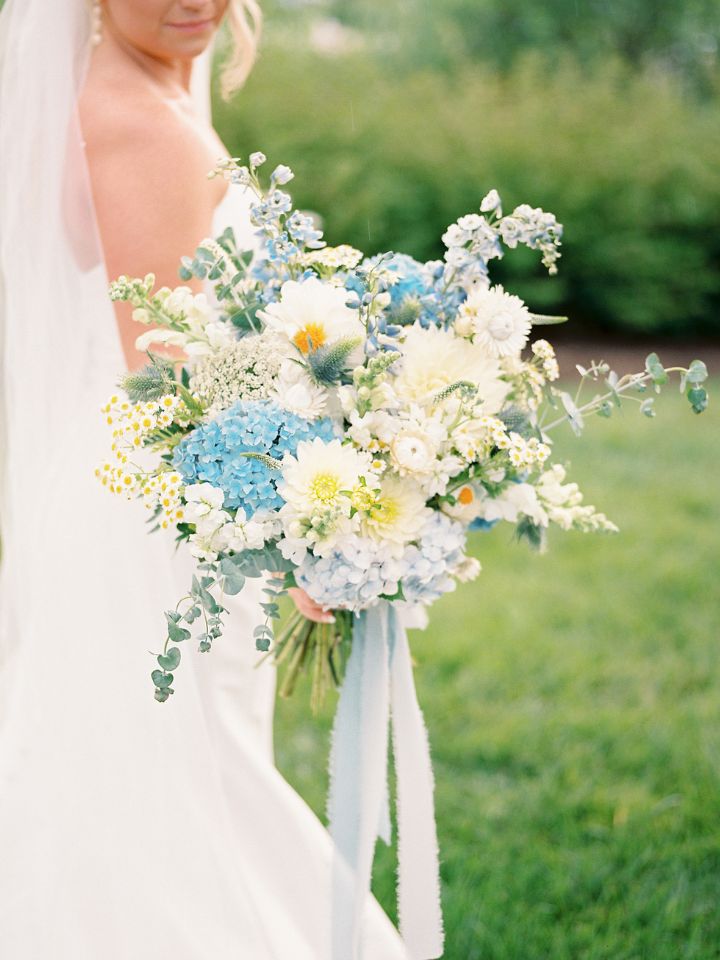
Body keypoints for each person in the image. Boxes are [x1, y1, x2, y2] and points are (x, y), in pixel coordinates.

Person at [0, 2, 407, 957]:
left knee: (153, 781)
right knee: (175, 797)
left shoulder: (142, 90)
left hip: (162, 490)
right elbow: (183, 377)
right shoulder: (135, 121)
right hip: (158, 506)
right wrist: (336, 490)